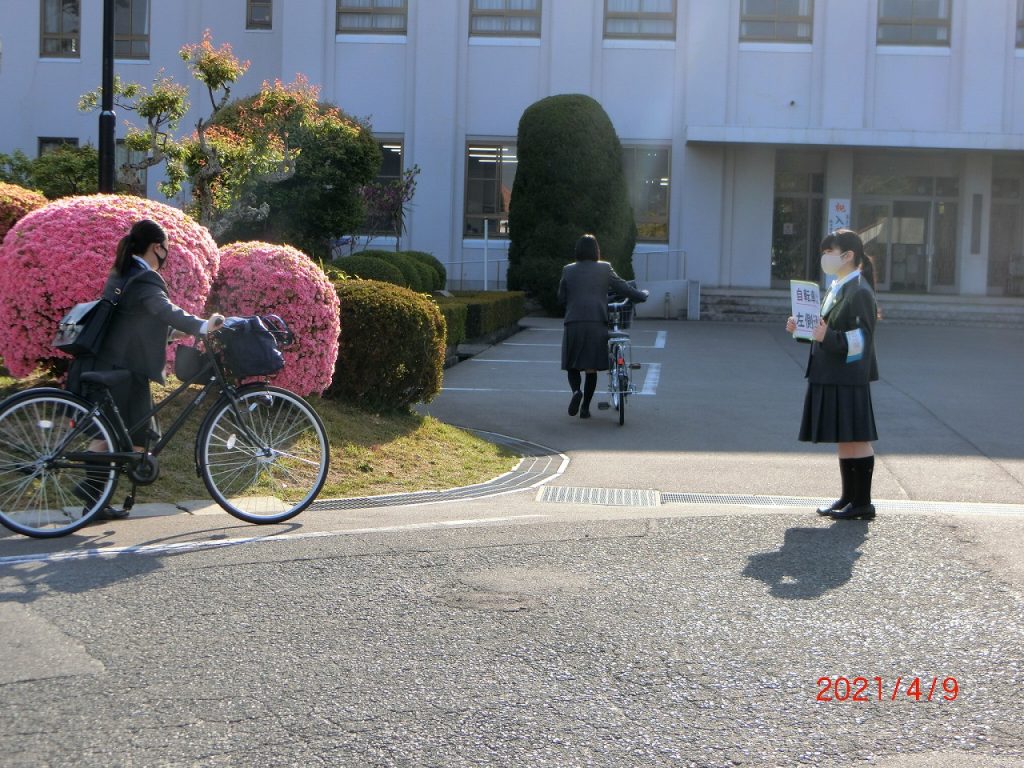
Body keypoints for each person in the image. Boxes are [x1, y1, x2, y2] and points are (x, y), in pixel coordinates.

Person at [67, 219, 225, 520]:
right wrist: (201, 326)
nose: (167, 254)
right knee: (130, 437)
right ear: (156, 247)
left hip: (108, 363)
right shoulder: (145, 277)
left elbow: (133, 322)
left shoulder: (123, 272)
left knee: (113, 435)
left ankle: (94, 501)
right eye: (166, 248)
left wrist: (175, 333)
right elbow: (164, 310)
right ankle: (92, 492)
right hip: (122, 370)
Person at [786, 228, 880, 520]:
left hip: (848, 376)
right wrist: (801, 330)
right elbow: (824, 328)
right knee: (845, 436)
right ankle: (848, 498)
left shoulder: (859, 290)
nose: (825, 257)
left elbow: (862, 339)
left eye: (830, 251)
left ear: (848, 255)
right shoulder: (839, 286)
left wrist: (826, 336)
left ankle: (862, 502)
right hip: (833, 372)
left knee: (857, 437)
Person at [557, 233, 648, 419]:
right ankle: (585, 409)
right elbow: (623, 287)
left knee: (572, 365)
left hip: (574, 322)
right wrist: (641, 295)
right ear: (596, 250)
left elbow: (561, 298)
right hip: (597, 322)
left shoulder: (568, 270)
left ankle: (576, 391)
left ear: (577, 251)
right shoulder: (605, 268)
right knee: (590, 368)